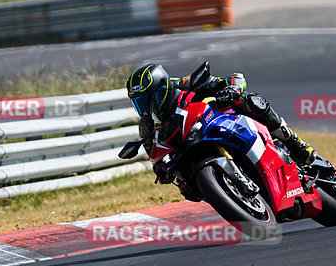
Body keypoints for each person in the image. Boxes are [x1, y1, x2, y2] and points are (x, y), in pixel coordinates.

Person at [126, 63, 316, 185]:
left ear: (162, 89)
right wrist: (161, 170)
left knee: (250, 101)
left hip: (214, 121)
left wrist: (231, 89)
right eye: (139, 102)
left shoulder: (180, 84)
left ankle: (295, 144)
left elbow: (235, 78)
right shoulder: (147, 127)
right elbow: (156, 156)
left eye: (148, 99)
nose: (145, 107)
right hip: (190, 154)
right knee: (185, 187)